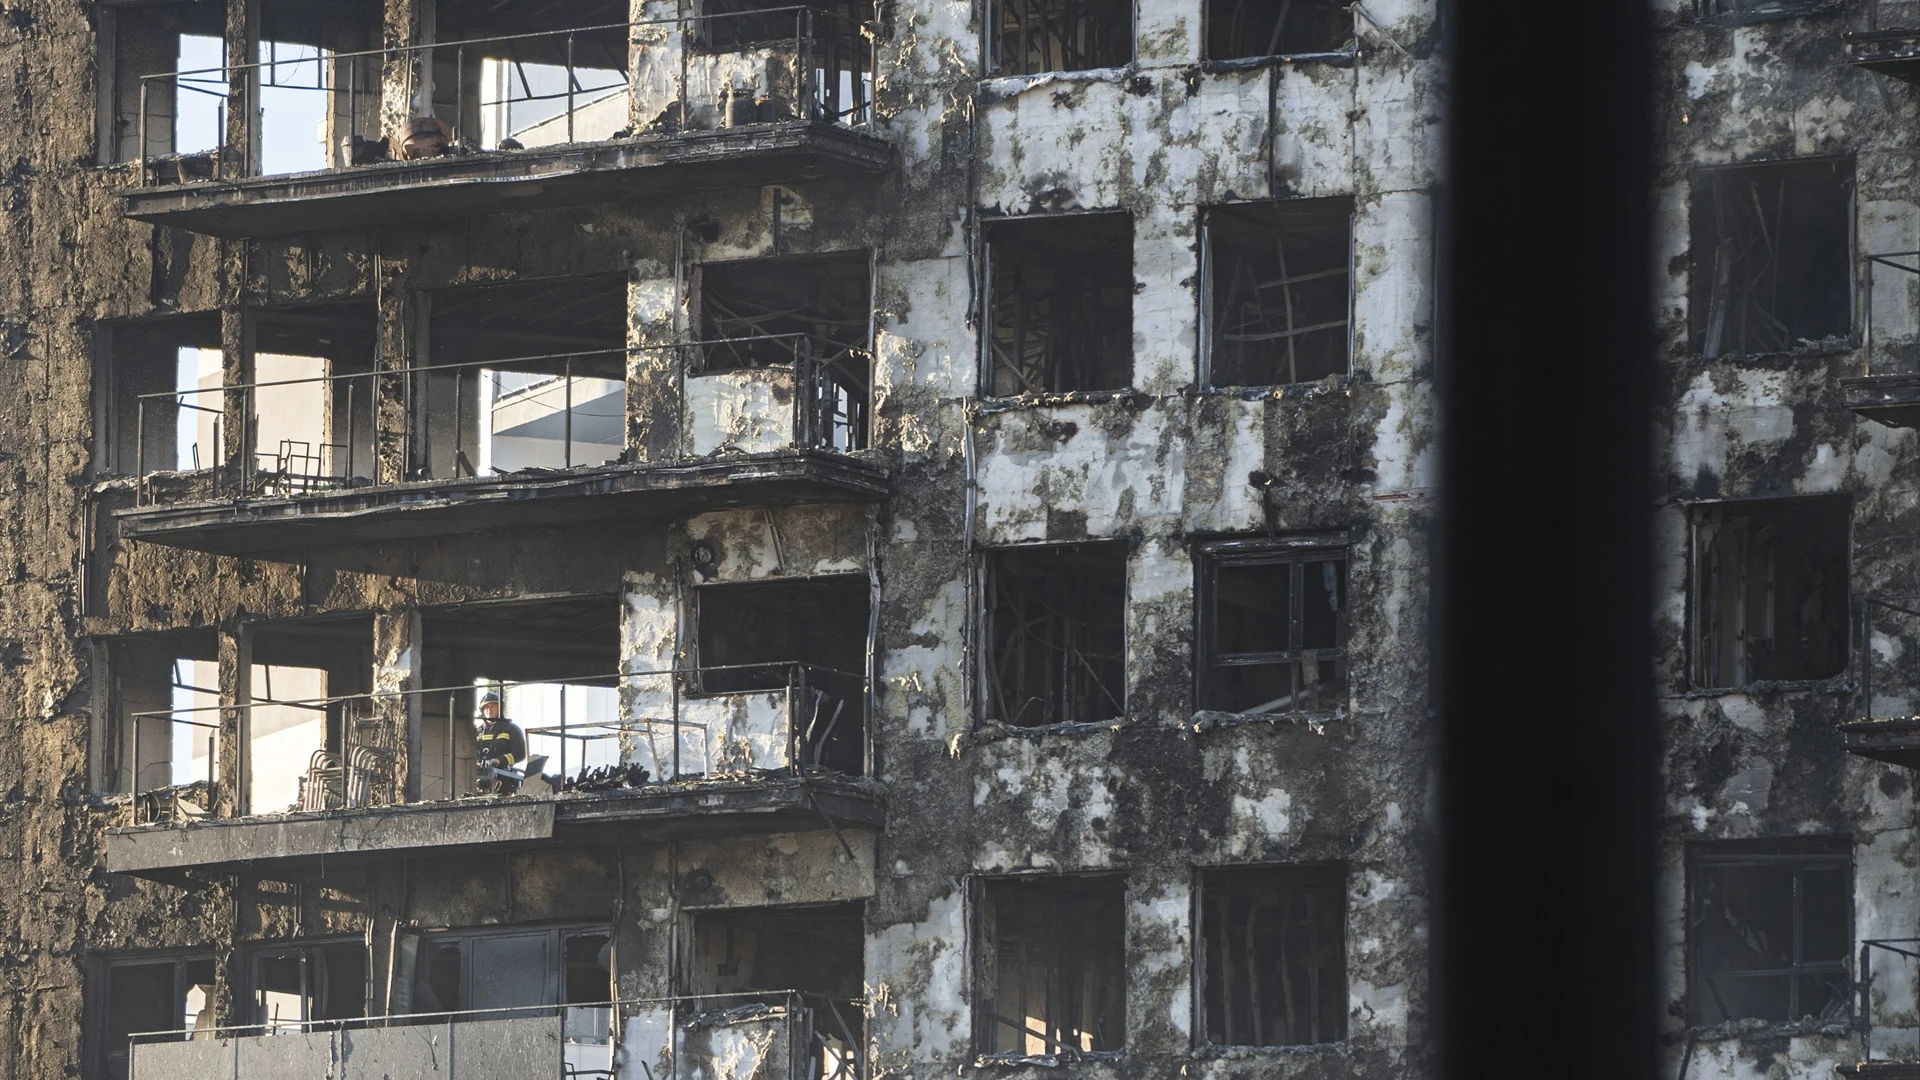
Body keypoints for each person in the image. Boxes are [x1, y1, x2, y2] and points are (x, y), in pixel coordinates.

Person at [475, 692, 527, 795]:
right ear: (482, 711)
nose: (489, 709)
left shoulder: (511, 729)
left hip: (505, 780)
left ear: (500, 708)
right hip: (480, 783)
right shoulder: (476, 733)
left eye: (493, 706)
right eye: (486, 707)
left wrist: (500, 760)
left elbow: (520, 753)